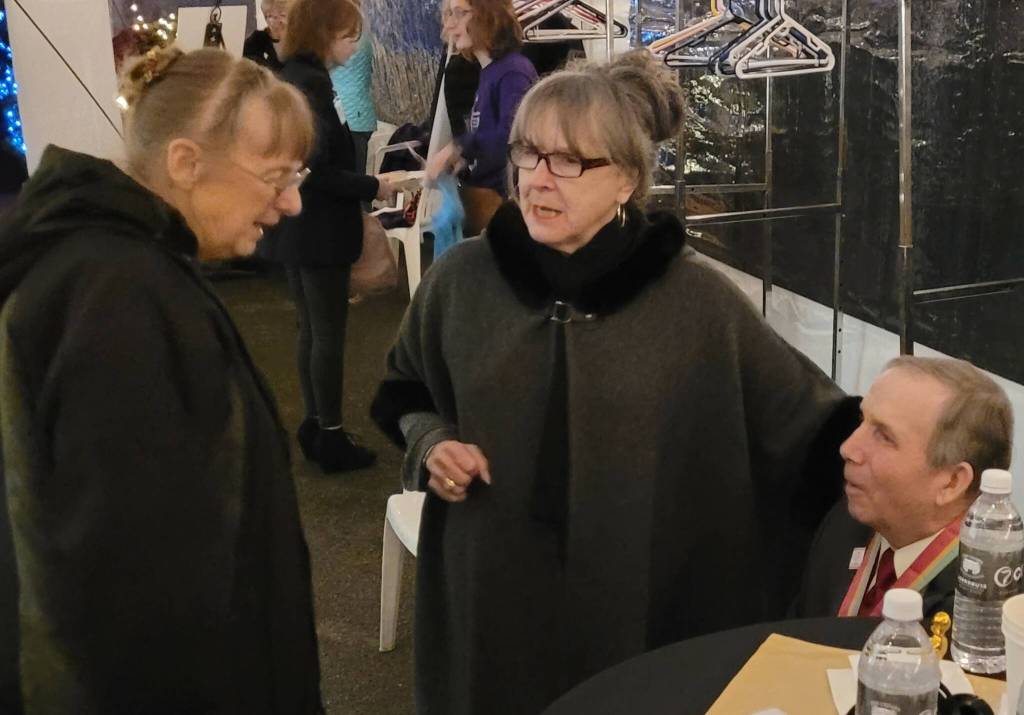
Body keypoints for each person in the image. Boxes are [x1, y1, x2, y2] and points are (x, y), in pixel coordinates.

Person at [371, 50, 859, 715]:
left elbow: (804, 425)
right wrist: (431, 441)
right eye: (528, 154)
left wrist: (913, 457)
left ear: (627, 179)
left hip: (635, 602)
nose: (539, 181)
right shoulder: (463, 280)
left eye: (570, 161)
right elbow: (404, 388)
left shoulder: (693, 299)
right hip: (489, 593)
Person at [0, 47, 324, 714]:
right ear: (186, 162)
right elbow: (134, 594)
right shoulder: (117, 296)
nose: (291, 203)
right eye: (275, 175)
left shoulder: (111, 269)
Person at [264, 0, 395, 473]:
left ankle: (319, 424)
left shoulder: (295, 77)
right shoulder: (313, 84)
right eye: (348, 35)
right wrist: (374, 186)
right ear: (323, 33)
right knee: (327, 334)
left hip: (302, 231)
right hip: (318, 230)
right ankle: (331, 434)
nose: (355, 45)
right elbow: (317, 170)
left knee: (311, 330)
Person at [793, 356, 1013, 621]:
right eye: (862, 420)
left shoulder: (987, 606)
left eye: (884, 436)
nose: (848, 448)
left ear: (952, 482)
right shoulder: (844, 526)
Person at [427, 0, 538, 235]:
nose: (449, 24)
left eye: (460, 13)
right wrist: (464, 161)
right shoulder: (490, 72)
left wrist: (457, 147)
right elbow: (489, 137)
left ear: (489, 15)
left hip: (503, 209)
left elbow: (512, 137)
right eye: (448, 15)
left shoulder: (513, 71)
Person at [329, 0, 377, 177]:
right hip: (356, 114)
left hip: (352, 116)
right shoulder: (358, 27)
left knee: (355, 183)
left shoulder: (351, 32)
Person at [244, 0, 291, 71]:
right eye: (270, 16)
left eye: (282, 15)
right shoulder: (256, 40)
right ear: (265, 18)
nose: (276, 21)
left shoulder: (299, 40)